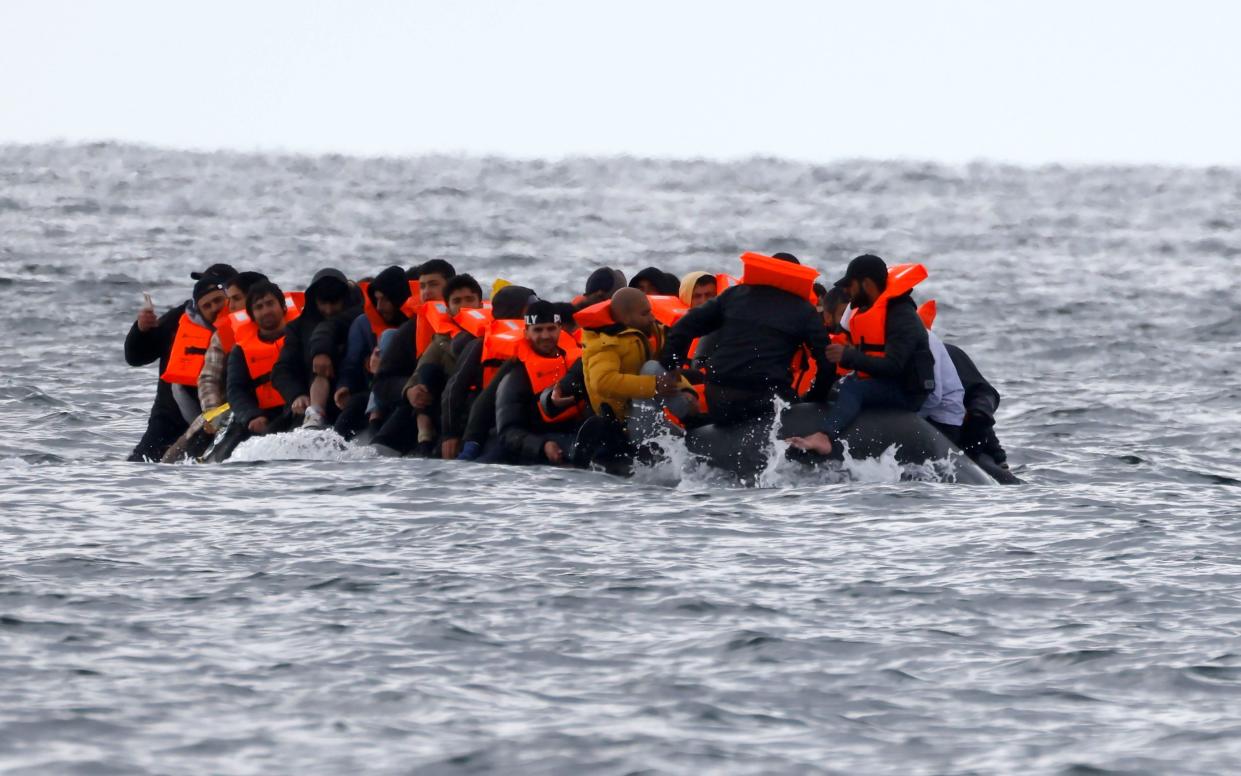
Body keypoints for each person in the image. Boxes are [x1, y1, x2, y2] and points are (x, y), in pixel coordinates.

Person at [786, 255, 936, 456]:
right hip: (887, 382)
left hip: (908, 391)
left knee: (853, 388)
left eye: (851, 285)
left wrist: (848, 357)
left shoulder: (901, 317)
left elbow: (894, 366)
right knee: (837, 389)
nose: (847, 291)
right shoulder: (874, 311)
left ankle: (825, 437)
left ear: (866, 284)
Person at [663, 252, 830, 425]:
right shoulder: (804, 310)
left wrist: (669, 368)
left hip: (719, 394)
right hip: (766, 397)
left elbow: (684, 326)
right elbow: (827, 361)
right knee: (798, 415)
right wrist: (815, 398)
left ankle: (695, 425)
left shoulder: (733, 295)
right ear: (799, 276)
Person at [125, 274, 230, 461]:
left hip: (220, 416)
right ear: (198, 307)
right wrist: (140, 330)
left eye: (218, 300)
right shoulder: (177, 320)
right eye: (207, 305)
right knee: (140, 463)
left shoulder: (252, 317)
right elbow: (135, 357)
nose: (215, 308)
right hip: (170, 417)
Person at [439, 284, 533, 460]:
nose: (536, 310)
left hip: (524, 422)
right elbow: (453, 390)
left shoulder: (544, 341)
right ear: (515, 309)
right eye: (531, 306)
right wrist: (449, 435)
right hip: (486, 424)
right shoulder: (479, 345)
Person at [401, 273, 485, 456]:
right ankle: (425, 439)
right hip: (450, 410)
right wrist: (410, 391)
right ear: (448, 309)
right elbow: (419, 373)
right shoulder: (441, 340)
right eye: (457, 301)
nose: (464, 305)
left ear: (481, 304)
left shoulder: (494, 335)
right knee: (428, 373)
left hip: (484, 405)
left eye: (470, 299)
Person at [579, 288, 690, 423]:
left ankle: (689, 414)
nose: (652, 318)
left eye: (651, 311)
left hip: (652, 410)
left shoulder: (651, 332)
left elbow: (666, 369)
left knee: (656, 367)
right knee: (651, 368)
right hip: (622, 421)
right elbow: (602, 382)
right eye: (645, 314)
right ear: (625, 318)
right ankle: (689, 417)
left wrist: (687, 390)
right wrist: (654, 385)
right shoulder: (604, 344)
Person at [213, 281, 296, 458]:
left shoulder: (300, 337)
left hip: (296, 408)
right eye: (259, 307)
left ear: (282, 307)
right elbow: (236, 390)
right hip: (261, 415)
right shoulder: (240, 351)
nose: (265, 311)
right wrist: (252, 416)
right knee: (226, 452)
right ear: (252, 314)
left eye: (270, 304)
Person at [495, 300, 584, 465]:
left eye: (551, 329)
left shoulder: (578, 362)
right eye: (538, 330)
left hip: (577, 436)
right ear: (526, 333)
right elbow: (508, 432)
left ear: (560, 328)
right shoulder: (516, 376)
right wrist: (542, 446)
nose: (545, 336)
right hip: (537, 447)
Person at [270, 268, 361, 428]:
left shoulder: (357, 318)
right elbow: (281, 370)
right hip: (307, 405)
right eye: (323, 303)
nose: (329, 310)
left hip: (351, 395)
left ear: (344, 299)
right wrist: (297, 395)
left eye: (334, 303)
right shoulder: (297, 328)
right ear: (313, 301)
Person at [368, 259, 456, 423]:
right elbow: (382, 382)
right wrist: (408, 391)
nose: (427, 291)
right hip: (416, 405)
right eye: (422, 286)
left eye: (433, 284)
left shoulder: (476, 331)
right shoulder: (410, 330)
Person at [334, 265, 412, 438]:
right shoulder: (363, 324)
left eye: (385, 300)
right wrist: (344, 386)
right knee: (355, 403)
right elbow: (351, 364)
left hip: (403, 389)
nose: (379, 306)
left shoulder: (414, 323)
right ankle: (330, 445)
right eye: (376, 300)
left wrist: (383, 368)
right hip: (370, 392)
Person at [198, 271, 268, 426]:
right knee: (180, 447)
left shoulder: (289, 328)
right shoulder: (223, 335)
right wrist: (212, 414)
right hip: (235, 410)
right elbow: (208, 379)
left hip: (284, 406)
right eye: (229, 300)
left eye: (236, 299)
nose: (230, 306)